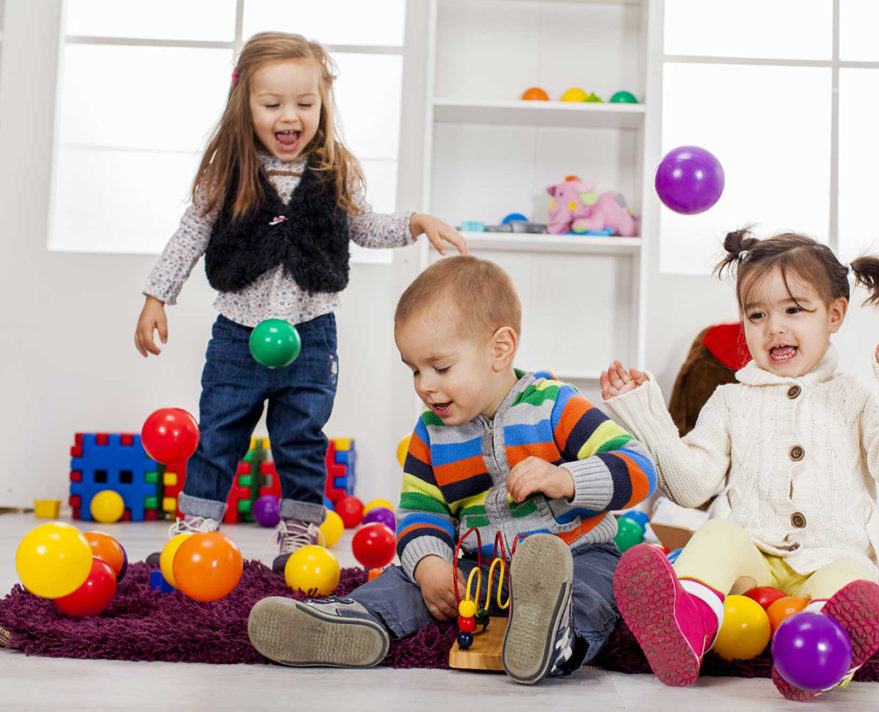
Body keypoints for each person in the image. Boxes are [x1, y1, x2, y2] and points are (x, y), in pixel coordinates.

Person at [134, 32, 466, 572]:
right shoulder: (227, 172)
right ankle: (197, 522)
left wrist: (415, 224)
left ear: (322, 104)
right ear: (245, 105)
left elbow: (365, 225)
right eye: (273, 104)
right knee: (218, 431)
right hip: (238, 334)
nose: (290, 116)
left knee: (301, 437)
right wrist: (157, 296)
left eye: (304, 103)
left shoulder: (334, 171)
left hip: (310, 336)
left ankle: (300, 527)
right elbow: (190, 234)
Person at [247, 255, 657, 684]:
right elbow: (422, 513)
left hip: (576, 555)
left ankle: (556, 637)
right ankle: (358, 619)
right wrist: (430, 566)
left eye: (440, 367)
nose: (425, 384)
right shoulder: (430, 434)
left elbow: (637, 466)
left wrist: (567, 479)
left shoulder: (554, 405)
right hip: (482, 570)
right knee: (406, 579)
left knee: (595, 590)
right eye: (415, 370)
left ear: (499, 349)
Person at [600, 229, 879, 701]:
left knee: (854, 581)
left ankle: (817, 658)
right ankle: (687, 625)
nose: (773, 328)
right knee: (718, 534)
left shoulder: (858, 396)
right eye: (756, 315)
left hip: (831, 559)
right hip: (753, 571)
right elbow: (691, 486)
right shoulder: (729, 400)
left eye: (793, 310)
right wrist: (647, 415)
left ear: (835, 314)